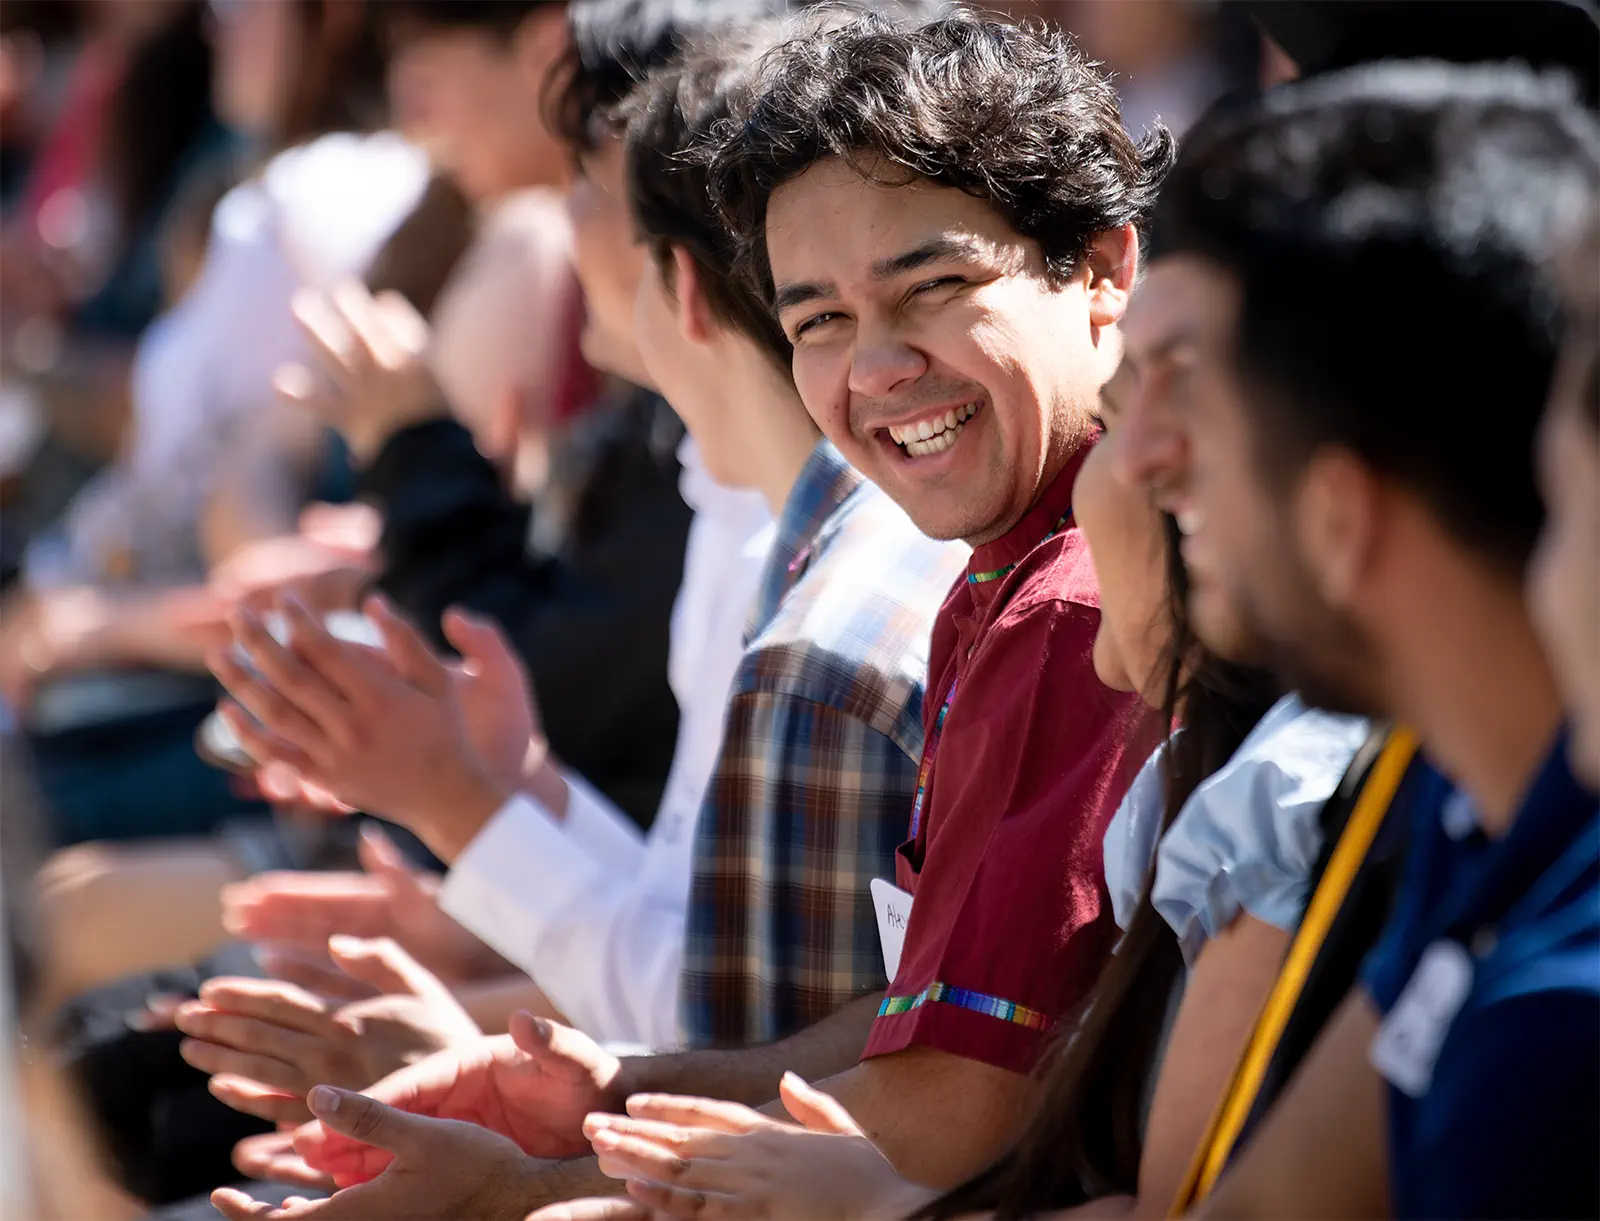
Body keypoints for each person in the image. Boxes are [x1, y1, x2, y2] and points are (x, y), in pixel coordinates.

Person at [206, 11, 1168, 1220]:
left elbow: (954, 1112)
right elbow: (927, 1018)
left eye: (934, 288)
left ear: (1099, 266)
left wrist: (521, 1188)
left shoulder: (1064, 600)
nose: (874, 369)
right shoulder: (993, 569)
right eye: (818, 321)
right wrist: (625, 1088)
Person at [575, 287, 1368, 1221]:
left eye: (1177, 398)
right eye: (816, 317)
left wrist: (886, 1206)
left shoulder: (1258, 791)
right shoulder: (1014, 611)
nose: (1138, 452)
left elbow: (1155, 1197)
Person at [1104, 61, 1599, 1217]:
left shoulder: (1560, 1034)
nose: (1137, 458)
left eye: (1190, 388)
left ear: (1338, 514)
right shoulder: (1471, 798)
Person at [0, 0, 430, 845]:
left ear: (334, 18)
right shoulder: (292, 190)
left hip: (180, 681)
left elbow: (264, 549)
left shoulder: (318, 196)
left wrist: (90, 629)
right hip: (139, 646)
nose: (218, 24)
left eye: (242, 3)